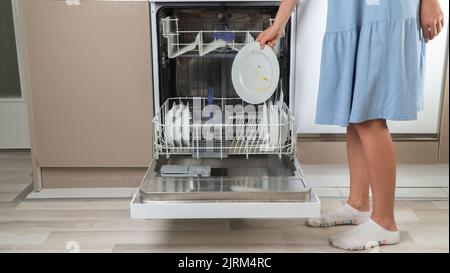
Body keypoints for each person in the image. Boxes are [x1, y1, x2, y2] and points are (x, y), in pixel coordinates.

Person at [257, 0, 445, 251]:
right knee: (356, 113)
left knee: (369, 115)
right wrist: (279, 23)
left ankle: (385, 223)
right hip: (350, 12)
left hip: (383, 10)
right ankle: (357, 204)